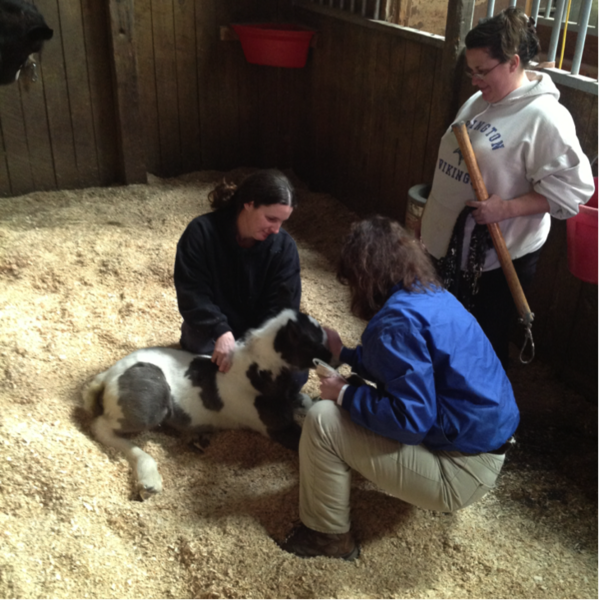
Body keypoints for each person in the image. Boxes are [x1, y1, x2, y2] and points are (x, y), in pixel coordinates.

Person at [280, 216, 520, 561]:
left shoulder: (395, 322)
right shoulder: (430, 295)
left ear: (364, 277)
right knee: (357, 395)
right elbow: (403, 367)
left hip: (460, 471)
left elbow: (410, 423)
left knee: (322, 419)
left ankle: (328, 539)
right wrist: (343, 355)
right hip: (482, 446)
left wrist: (344, 394)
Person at [420, 8, 594, 369]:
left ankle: (485, 418)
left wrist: (507, 209)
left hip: (495, 261)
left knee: (481, 346)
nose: (474, 80)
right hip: (450, 251)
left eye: (482, 71)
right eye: (471, 71)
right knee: (445, 336)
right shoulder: (481, 100)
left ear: (513, 63)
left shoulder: (545, 117)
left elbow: (574, 191)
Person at [174, 169, 301, 373]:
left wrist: (257, 344)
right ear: (249, 204)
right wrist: (221, 330)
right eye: (271, 219)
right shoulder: (201, 233)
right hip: (214, 327)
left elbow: (283, 306)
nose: (276, 229)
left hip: (260, 331)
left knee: (295, 368)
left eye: (282, 222)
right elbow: (192, 292)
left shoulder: (284, 247)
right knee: (202, 356)